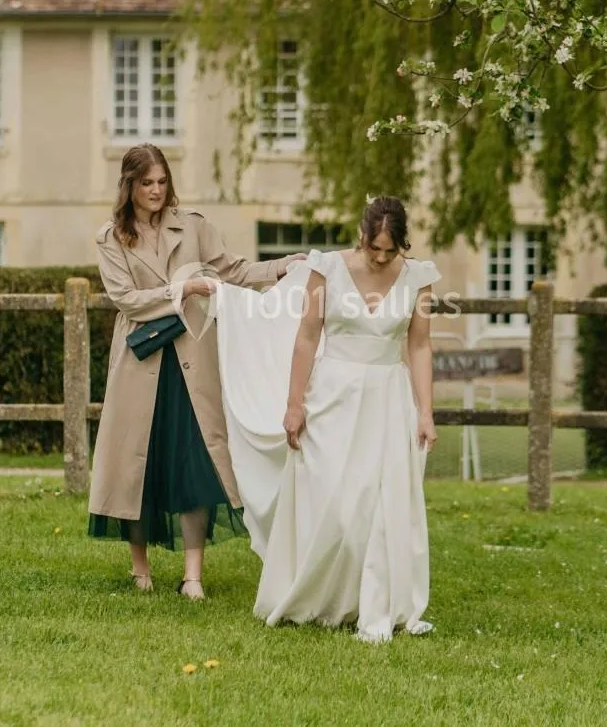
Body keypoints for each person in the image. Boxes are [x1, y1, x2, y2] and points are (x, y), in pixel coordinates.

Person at [215, 196, 439, 642]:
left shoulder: (420, 278)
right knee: (335, 506)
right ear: (361, 235)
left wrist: (425, 412)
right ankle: (323, 596)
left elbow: (419, 346)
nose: (381, 258)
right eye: (374, 247)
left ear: (402, 245)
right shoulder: (327, 269)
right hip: (333, 396)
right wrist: (294, 403)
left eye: (390, 251)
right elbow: (306, 337)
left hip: (387, 400)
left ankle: (376, 601)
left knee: (379, 505)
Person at [87, 143, 302, 600]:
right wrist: (183, 289)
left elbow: (234, 271)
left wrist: (285, 266)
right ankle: (140, 569)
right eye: (146, 183)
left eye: (162, 181)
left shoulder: (194, 227)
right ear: (129, 186)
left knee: (195, 466)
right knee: (136, 467)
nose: (156, 190)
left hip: (192, 364)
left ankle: (193, 577)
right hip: (140, 363)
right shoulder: (111, 237)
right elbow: (126, 299)